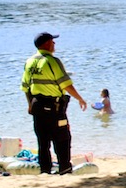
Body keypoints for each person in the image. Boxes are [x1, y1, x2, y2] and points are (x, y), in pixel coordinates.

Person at [20, 32, 87, 175]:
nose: (54, 44)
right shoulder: (52, 61)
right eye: (52, 41)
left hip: (37, 106)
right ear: (47, 44)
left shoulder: (29, 62)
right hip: (55, 108)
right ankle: (64, 168)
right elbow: (66, 85)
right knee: (62, 138)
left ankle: (45, 170)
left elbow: (26, 87)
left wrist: (30, 104)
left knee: (42, 141)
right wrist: (80, 98)